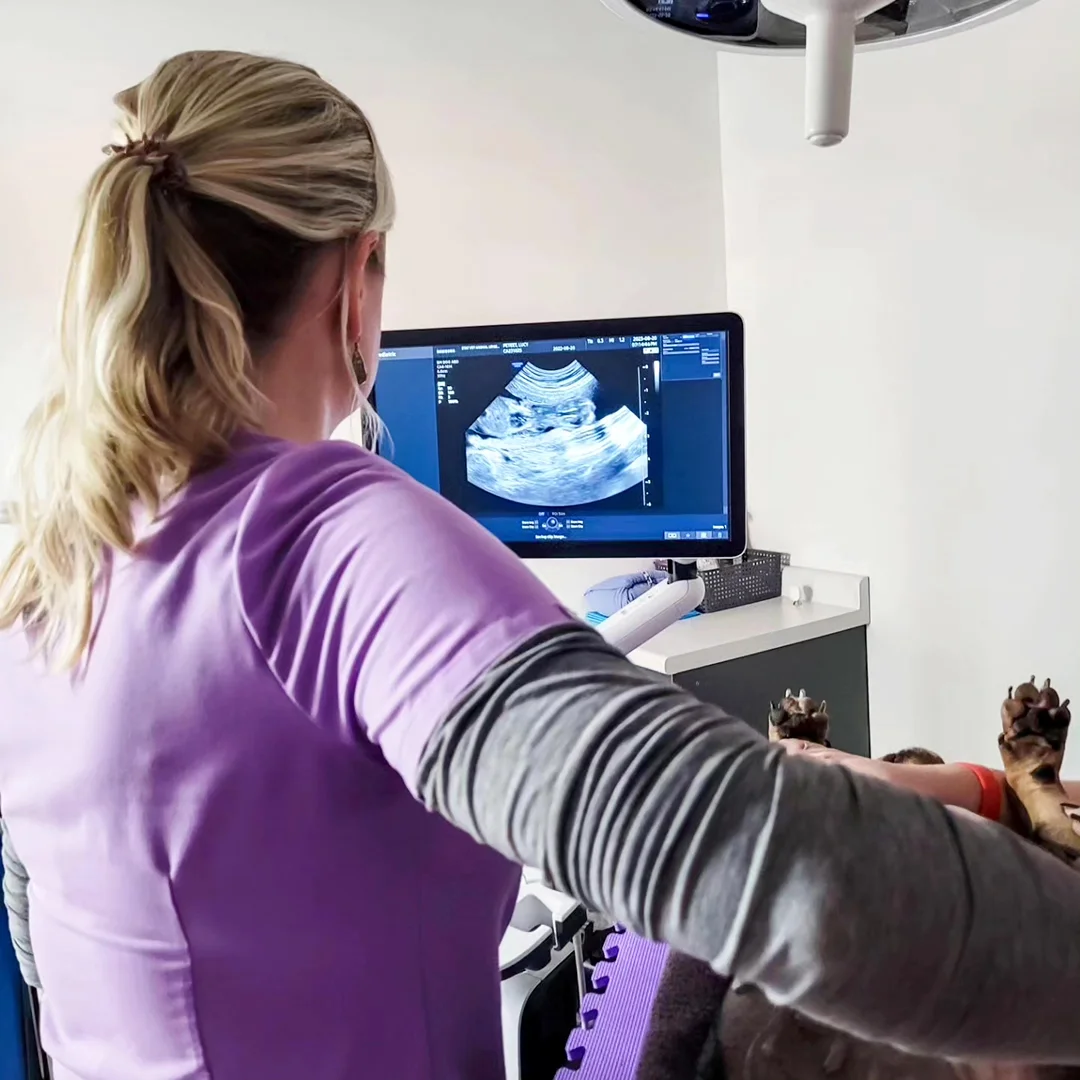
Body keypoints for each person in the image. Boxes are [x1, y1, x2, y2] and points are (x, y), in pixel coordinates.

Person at [3, 49, 1080, 1080]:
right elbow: (733, 849)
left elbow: (48, 945)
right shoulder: (318, 535)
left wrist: (986, 783)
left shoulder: (45, 554)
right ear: (356, 274)